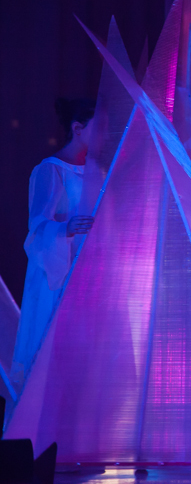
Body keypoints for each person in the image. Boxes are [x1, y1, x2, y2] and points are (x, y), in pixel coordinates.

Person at [10, 99, 95, 393]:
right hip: (57, 271)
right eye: (99, 127)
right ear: (78, 129)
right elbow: (38, 225)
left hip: (88, 271)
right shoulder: (51, 169)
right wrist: (65, 228)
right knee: (52, 346)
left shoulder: (98, 171)